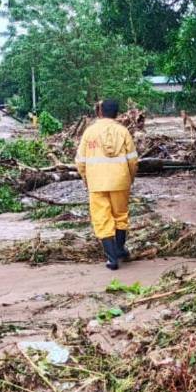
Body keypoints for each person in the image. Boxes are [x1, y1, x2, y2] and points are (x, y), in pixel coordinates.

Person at [74, 99, 138, 270]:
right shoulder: (123, 131)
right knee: (121, 216)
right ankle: (120, 250)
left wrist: (85, 179)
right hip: (120, 181)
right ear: (117, 113)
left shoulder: (89, 132)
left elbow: (80, 161)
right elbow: (133, 160)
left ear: (100, 112)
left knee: (102, 219)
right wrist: (130, 178)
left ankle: (112, 259)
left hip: (97, 183)